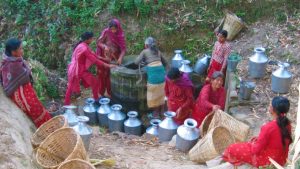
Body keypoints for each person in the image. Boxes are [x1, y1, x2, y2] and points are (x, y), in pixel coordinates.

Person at [223, 96, 292, 168]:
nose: (269, 106)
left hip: (268, 161)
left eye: (270, 105)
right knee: (252, 141)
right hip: (281, 160)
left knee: (232, 148)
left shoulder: (268, 127)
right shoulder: (288, 124)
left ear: (273, 109)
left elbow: (255, 150)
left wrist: (253, 143)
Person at [0, 38, 51, 127]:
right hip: (17, 92)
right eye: (20, 49)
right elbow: (24, 76)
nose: (22, 50)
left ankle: (46, 125)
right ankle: (44, 127)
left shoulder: (13, 59)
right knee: (34, 108)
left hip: (23, 87)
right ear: (13, 52)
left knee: (37, 106)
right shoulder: (12, 64)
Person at [64, 32, 114, 105]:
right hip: (77, 70)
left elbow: (93, 55)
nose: (92, 40)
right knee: (72, 87)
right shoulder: (84, 48)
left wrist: (105, 59)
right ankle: (66, 104)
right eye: (91, 38)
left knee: (93, 82)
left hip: (76, 68)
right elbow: (95, 60)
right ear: (87, 39)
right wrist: (108, 65)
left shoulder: (81, 45)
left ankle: (96, 99)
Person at [134, 37, 168, 118]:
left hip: (154, 76)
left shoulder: (145, 51)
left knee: (154, 95)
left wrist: (145, 61)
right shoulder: (158, 52)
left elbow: (136, 62)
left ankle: (155, 113)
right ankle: (162, 112)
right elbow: (165, 63)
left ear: (146, 45)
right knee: (161, 94)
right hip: (162, 74)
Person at [96, 19, 126, 97]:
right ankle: (101, 93)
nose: (113, 31)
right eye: (111, 29)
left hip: (114, 59)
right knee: (102, 75)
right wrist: (105, 46)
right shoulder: (106, 32)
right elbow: (99, 42)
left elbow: (123, 49)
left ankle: (110, 93)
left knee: (111, 76)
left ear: (118, 28)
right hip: (103, 57)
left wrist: (120, 58)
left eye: (115, 29)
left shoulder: (120, 34)